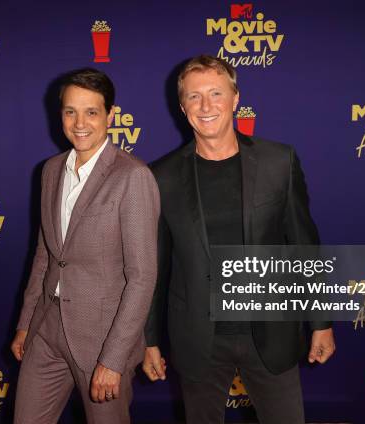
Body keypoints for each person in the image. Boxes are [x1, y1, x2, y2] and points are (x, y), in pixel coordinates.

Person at [143, 55, 335, 424]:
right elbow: (156, 265)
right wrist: (149, 341)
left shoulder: (279, 161)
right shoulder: (161, 176)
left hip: (272, 332)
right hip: (199, 338)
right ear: (182, 107)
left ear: (236, 99)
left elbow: (303, 247)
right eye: (194, 97)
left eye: (216, 93)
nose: (206, 105)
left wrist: (321, 321)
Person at [12, 68, 159, 424]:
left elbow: (142, 277)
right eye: (70, 111)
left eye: (91, 112)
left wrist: (113, 359)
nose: (80, 123)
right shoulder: (49, 171)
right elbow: (46, 255)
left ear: (110, 115)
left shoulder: (132, 176)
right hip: (46, 330)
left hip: (102, 339)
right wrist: (26, 322)